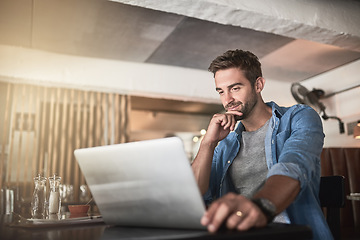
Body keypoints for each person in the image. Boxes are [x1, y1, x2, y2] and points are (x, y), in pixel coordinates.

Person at [191, 49, 333, 240]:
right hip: (238, 234)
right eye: (221, 91)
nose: (227, 100)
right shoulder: (225, 143)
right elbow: (195, 193)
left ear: (258, 84)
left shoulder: (298, 117)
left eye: (235, 88)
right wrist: (208, 143)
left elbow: (294, 165)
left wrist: (260, 207)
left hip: (291, 233)